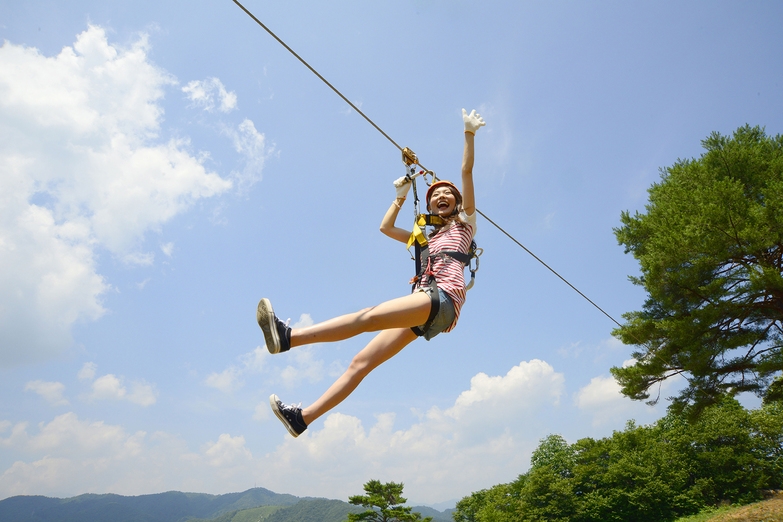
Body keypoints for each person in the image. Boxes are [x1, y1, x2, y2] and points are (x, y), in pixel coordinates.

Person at [258, 108, 486, 437]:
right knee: (360, 362)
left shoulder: (466, 224)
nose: (440, 196)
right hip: (428, 309)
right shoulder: (425, 238)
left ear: (458, 201)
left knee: (368, 317)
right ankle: (302, 418)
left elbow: (466, 170)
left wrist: (468, 133)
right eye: (435, 194)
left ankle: (288, 338)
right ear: (431, 205)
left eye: (447, 193)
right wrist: (401, 195)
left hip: (441, 299)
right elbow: (385, 227)